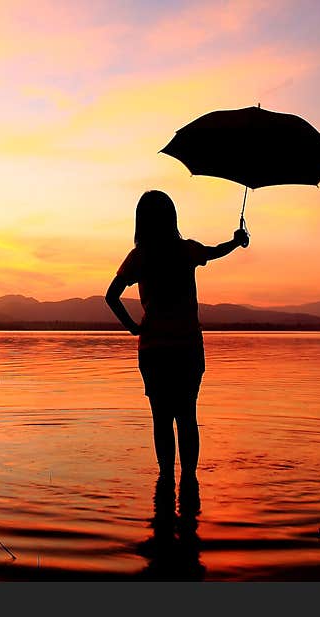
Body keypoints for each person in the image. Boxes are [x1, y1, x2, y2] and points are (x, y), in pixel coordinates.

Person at [106, 190, 249, 481]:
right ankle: (190, 483)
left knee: (161, 419)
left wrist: (133, 327)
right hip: (187, 349)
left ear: (141, 222)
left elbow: (111, 296)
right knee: (187, 418)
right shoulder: (185, 250)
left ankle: (166, 481)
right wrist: (237, 240)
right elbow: (214, 251)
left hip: (154, 350)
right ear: (172, 218)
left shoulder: (139, 257)